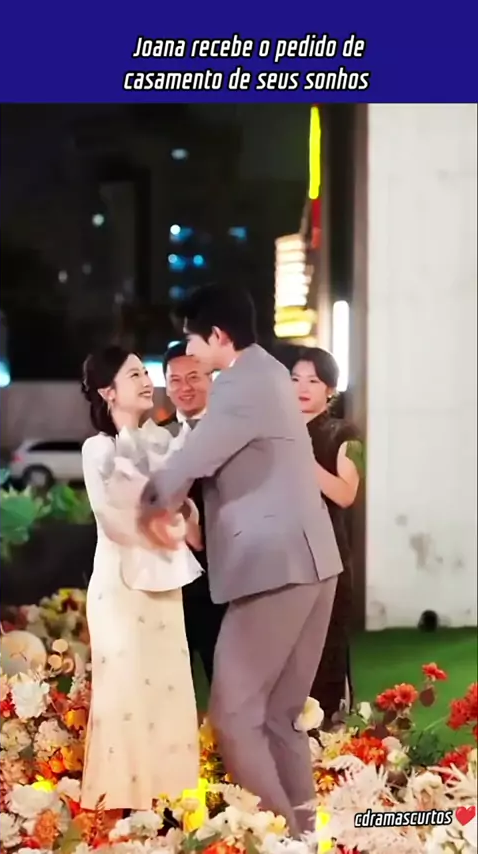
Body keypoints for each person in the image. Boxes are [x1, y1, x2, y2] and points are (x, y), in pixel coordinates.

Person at [139, 285, 343, 837]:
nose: (188, 349)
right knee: (279, 717)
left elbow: (197, 456)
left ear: (217, 336)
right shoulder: (272, 372)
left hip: (274, 566)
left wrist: (152, 500)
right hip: (313, 562)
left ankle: (281, 839)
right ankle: (307, 837)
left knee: (232, 716)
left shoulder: (239, 384)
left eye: (192, 338)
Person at [80, 345, 200, 812]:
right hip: (120, 587)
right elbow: (114, 517)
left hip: (164, 582)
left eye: (145, 373)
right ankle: (119, 807)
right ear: (108, 391)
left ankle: (170, 804)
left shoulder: (162, 441)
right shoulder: (100, 448)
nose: (147, 382)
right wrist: (166, 508)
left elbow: (183, 508)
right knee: (125, 694)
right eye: (133, 375)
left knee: (169, 690)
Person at [291, 348, 363, 726]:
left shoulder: (346, 434)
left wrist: (303, 461)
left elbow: (346, 494)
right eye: (295, 379)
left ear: (330, 389)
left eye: (313, 380)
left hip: (328, 556)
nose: (302, 388)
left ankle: (330, 738)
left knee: (327, 651)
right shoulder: (273, 434)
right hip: (281, 560)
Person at [160, 341, 226, 688]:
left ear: (211, 379)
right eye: (175, 380)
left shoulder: (233, 432)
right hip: (171, 576)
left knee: (228, 678)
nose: (184, 387)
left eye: (194, 377)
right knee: (173, 683)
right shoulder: (157, 437)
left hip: (225, 573)